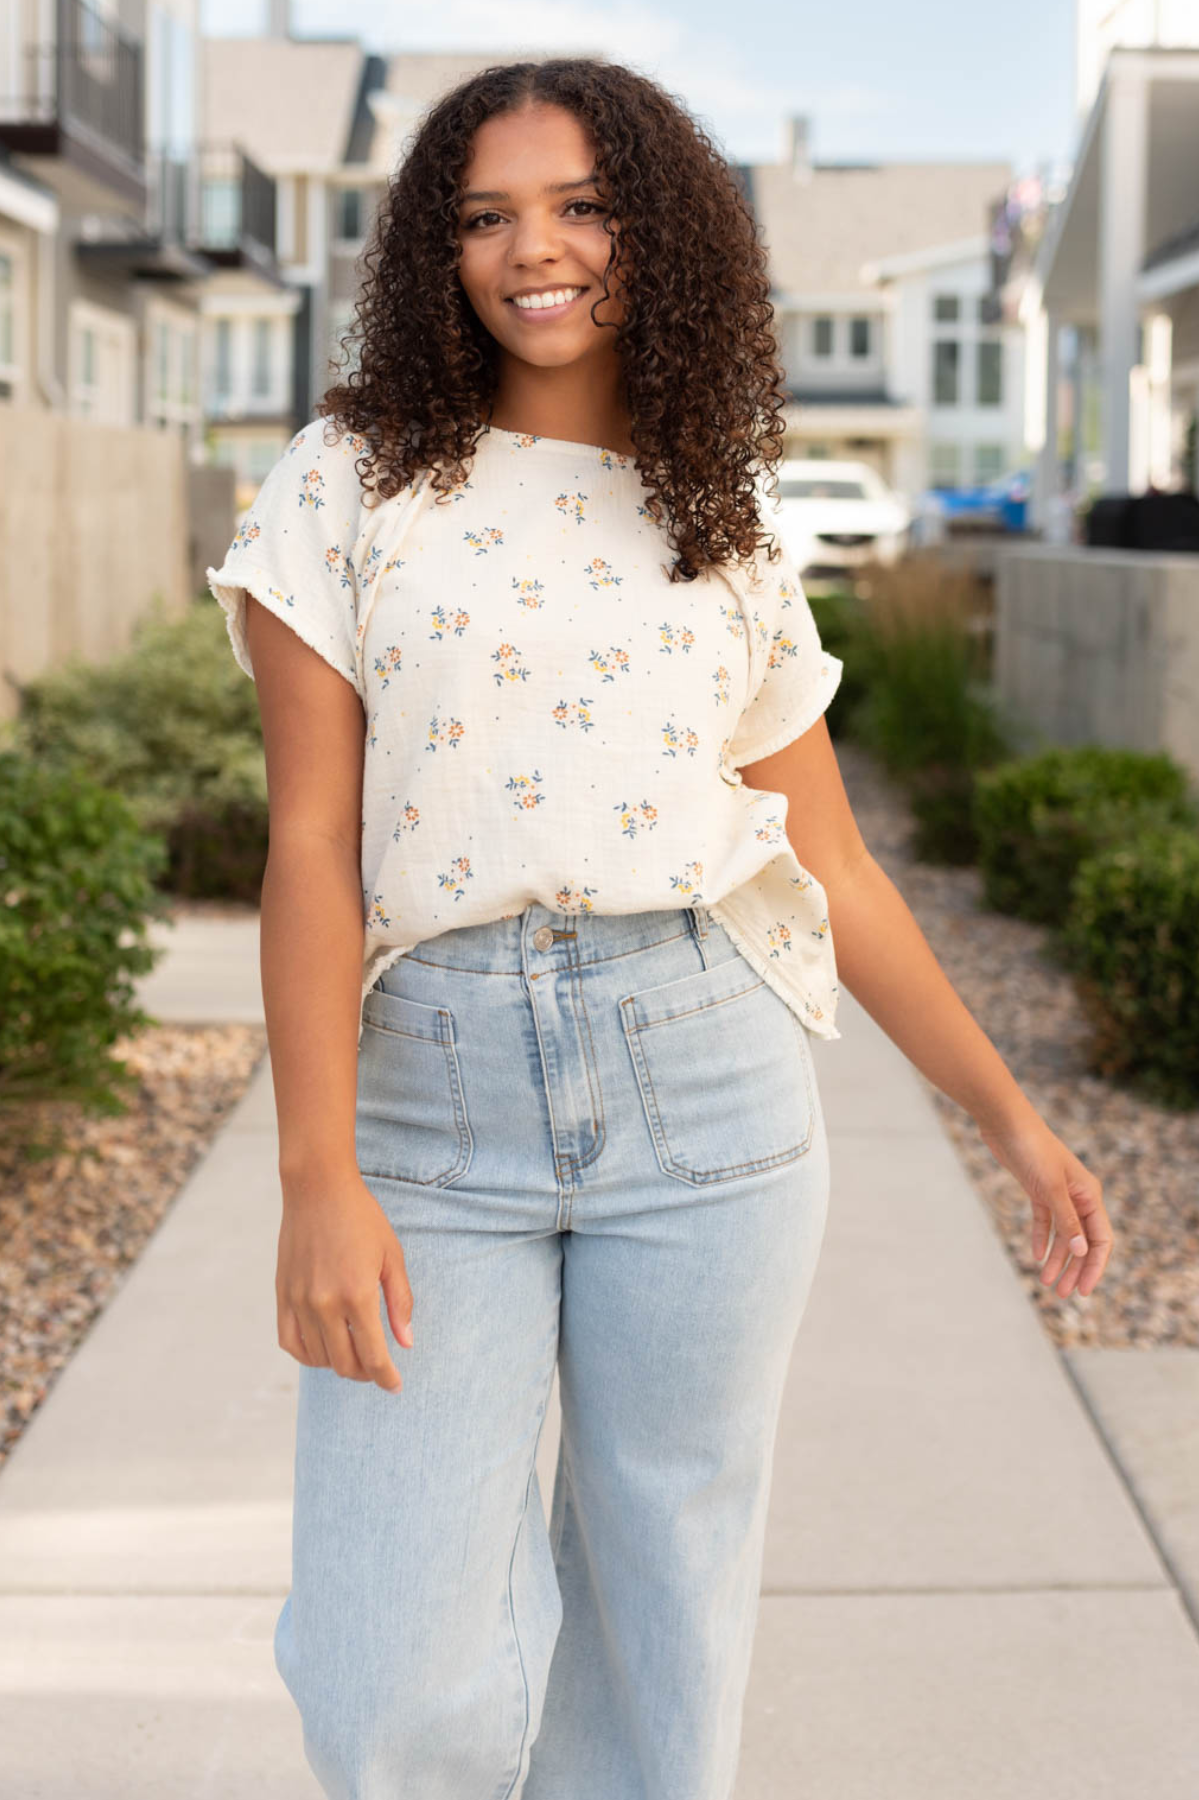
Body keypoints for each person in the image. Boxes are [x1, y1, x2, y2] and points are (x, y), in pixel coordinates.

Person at [206, 57, 1113, 1800]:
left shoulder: (727, 502)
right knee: (384, 1677)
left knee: (661, 1622)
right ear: (433, 251)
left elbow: (829, 863)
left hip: (708, 1083)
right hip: (431, 1108)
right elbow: (310, 844)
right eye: (484, 217)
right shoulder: (352, 480)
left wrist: (1009, 1115)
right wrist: (314, 1172)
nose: (531, 250)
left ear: (659, 233)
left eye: (579, 206)